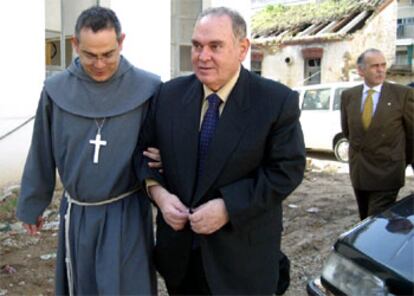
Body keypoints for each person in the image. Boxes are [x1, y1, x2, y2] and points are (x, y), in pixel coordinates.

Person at [137, 7, 306, 295]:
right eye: (197, 46)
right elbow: (143, 157)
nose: (203, 57)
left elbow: (286, 170)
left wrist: (229, 207)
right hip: (181, 259)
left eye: (215, 46)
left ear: (242, 49)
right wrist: (161, 196)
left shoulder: (275, 102)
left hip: (242, 261)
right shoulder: (169, 96)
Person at [16, 6, 161, 295]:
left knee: (128, 285)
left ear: (121, 42)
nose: (99, 63)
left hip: (127, 211)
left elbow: (164, 142)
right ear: (74, 45)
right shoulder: (56, 90)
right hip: (79, 213)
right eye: (89, 55)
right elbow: (42, 149)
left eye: (108, 54)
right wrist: (32, 204)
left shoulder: (148, 88)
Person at [341, 48, 414, 220]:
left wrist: (399, 161)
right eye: (374, 66)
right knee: (364, 219)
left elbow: (412, 136)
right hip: (360, 172)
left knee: (375, 220)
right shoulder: (349, 96)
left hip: (387, 173)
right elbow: (348, 131)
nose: (381, 70)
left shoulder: (403, 95)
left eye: (383, 65)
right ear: (361, 70)